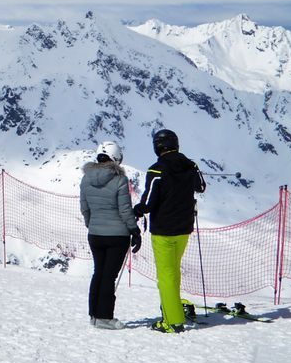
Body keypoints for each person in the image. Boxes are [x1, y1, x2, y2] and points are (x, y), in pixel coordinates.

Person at [134, 128, 206, 333]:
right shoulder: (190, 165)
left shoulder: (156, 170)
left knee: (166, 275)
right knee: (173, 272)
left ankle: (172, 321)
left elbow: (148, 202)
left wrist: (137, 211)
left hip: (163, 230)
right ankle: (172, 308)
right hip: (184, 229)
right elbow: (201, 187)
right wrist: (193, 169)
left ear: (157, 147)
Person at [79, 140, 139, 329]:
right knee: (108, 276)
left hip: (95, 234)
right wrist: (134, 230)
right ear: (116, 158)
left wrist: (92, 225)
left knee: (98, 272)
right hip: (117, 236)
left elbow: (84, 208)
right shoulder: (119, 179)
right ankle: (105, 317)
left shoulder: (86, 178)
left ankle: (94, 315)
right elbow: (125, 210)